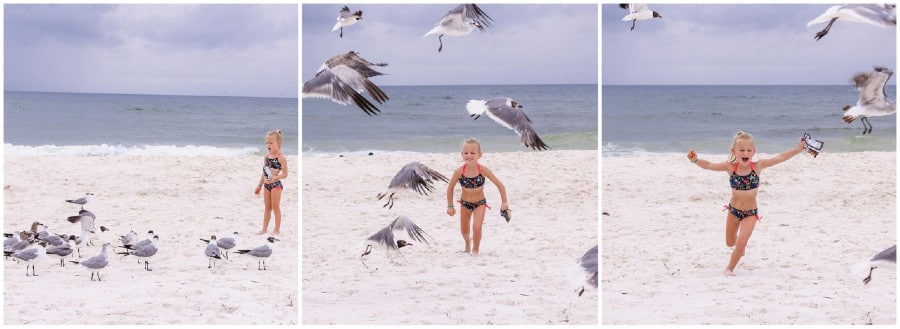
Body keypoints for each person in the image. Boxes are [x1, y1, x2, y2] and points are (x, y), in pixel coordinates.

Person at [687, 131, 804, 276]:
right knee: (730, 243)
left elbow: (779, 158)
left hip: (750, 213)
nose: (745, 153)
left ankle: (729, 268)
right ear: (734, 152)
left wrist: (798, 149)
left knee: (742, 243)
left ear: (754, 152)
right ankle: (738, 250)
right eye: (741, 150)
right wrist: (695, 160)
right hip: (734, 211)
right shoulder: (730, 167)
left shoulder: (758, 166)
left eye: (749, 150)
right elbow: (710, 165)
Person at [446, 138, 509, 256]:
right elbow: (450, 188)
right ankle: (467, 242)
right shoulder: (459, 172)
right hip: (465, 204)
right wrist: (450, 206)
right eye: (466, 153)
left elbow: (500, 185)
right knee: (464, 232)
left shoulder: (483, 171)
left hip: (479, 203)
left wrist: (504, 202)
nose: (469, 155)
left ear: (480, 155)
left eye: (472, 153)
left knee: (476, 227)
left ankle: (475, 250)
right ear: (462, 154)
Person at [254, 130, 288, 235]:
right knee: (267, 208)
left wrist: (276, 177)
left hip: (276, 186)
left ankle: (276, 229)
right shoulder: (267, 157)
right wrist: (259, 185)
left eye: (271, 142)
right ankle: (264, 229)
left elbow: (285, 174)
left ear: (279, 143)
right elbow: (264, 172)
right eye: (267, 142)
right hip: (266, 185)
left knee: (275, 207)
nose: (268, 145)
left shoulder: (281, 158)